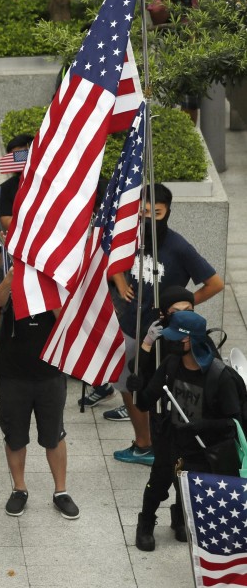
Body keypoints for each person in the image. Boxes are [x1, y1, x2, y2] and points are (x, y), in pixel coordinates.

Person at [96, 184, 223, 468]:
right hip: (130, 326)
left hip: (165, 335)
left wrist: (183, 307)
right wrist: (119, 281)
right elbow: (109, 259)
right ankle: (143, 443)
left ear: (167, 213)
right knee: (126, 383)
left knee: (158, 389)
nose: (150, 218)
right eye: (143, 212)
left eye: (157, 213)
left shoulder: (178, 247)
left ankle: (161, 444)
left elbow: (215, 283)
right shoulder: (130, 238)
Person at [127, 310, 240, 551]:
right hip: (172, 439)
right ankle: (145, 523)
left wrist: (203, 426)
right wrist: (138, 387)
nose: (170, 341)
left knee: (188, 487)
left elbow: (234, 423)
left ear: (190, 341)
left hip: (202, 449)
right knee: (158, 481)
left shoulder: (219, 377)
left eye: (176, 337)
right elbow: (145, 402)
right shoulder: (171, 364)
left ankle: (179, 517)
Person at [0, 266, 79, 520]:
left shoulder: (59, 274)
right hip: (12, 373)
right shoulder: (5, 270)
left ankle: (61, 491)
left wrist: (49, 284)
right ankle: (19, 489)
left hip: (50, 372)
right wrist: (11, 277)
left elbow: (66, 318)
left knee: (54, 434)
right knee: (15, 436)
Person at [146, 0, 201, 123]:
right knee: (165, 96)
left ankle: (188, 131)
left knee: (190, 99)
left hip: (189, 47)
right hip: (165, 47)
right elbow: (157, 19)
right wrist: (174, 8)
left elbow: (198, 21)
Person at [0, 135, 33, 231]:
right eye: (16, 157)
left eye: (24, 155)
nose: (20, 160)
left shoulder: (50, 182)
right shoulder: (5, 189)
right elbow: (8, 224)